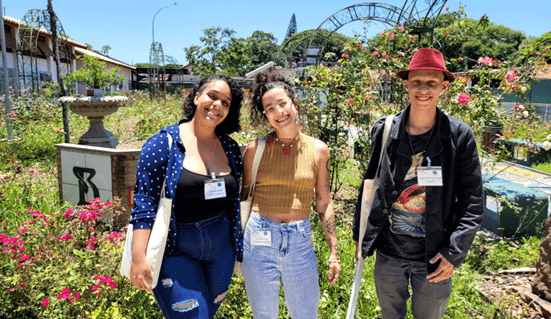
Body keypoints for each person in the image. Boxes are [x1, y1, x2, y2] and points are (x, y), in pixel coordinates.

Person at [352, 48, 484, 319]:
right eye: (416, 82)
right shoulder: (386, 129)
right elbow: (370, 184)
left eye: (431, 83)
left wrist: (453, 253)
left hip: (434, 258)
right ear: (406, 85)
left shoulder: (458, 136)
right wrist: (359, 235)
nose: (423, 89)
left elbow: (472, 201)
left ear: (444, 86)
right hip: (388, 254)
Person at [129, 75, 244, 319]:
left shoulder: (230, 147)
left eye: (226, 102)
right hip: (176, 248)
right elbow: (144, 202)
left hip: (221, 249)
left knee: (207, 313)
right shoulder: (163, 144)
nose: (218, 105)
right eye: (212, 96)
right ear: (196, 97)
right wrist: (138, 258)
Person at [241, 72, 341, 319]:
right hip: (259, 238)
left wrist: (334, 251)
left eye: (282, 103)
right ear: (265, 115)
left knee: (306, 313)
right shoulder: (255, 149)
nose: (278, 112)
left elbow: (324, 201)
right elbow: (243, 200)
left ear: (294, 104)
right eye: (270, 108)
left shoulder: (318, 150)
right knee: (264, 315)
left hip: (299, 239)